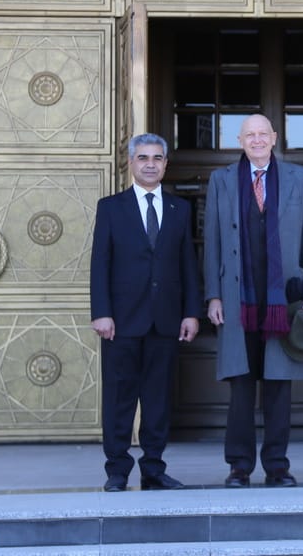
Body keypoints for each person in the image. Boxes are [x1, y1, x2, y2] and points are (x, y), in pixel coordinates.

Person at [204, 114, 303, 488]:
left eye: (262, 134)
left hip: (282, 299)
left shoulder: (298, 177)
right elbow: (212, 241)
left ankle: (277, 466)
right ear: (239, 141)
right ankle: (239, 466)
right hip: (237, 298)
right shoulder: (221, 179)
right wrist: (213, 295)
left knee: (278, 385)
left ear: (274, 138)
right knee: (240, 385)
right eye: (249, 135)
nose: (256, 140)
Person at [90, 133, 201, 492]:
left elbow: (188, 263)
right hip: (120, 322)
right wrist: (101, 312)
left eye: (156, 158)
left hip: (165, 320)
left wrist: (191, 312)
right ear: (131, 163)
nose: (150, 164)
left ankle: (153, 468)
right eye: (143, 158)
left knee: (157, 400)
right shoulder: (111, 207)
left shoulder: (180, 208)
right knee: (119, 399)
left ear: (165, 164)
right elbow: (100, 263)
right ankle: (117, 471)